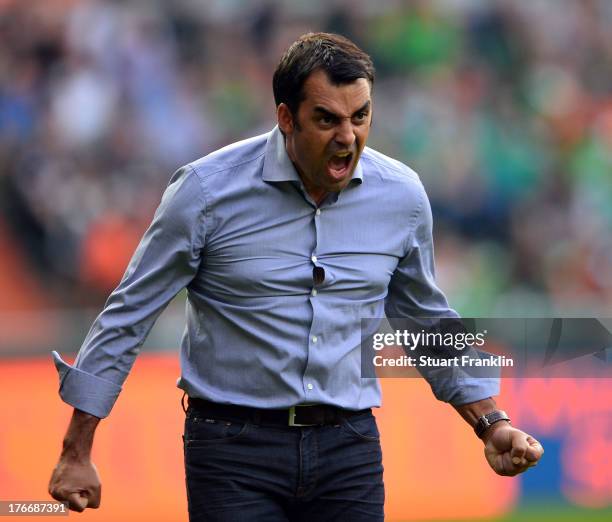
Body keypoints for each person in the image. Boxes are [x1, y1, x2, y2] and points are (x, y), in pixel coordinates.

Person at [48, 32, 543, 521]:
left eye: (360, 117)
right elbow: (129, 314)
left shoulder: (403, 197)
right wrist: (77, 448)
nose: (348, 137)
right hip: (232, 451)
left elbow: (427, 321)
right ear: (286, 117)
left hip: (349, 448)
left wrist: (491, 422)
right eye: (327, 119)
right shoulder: (204, 193)